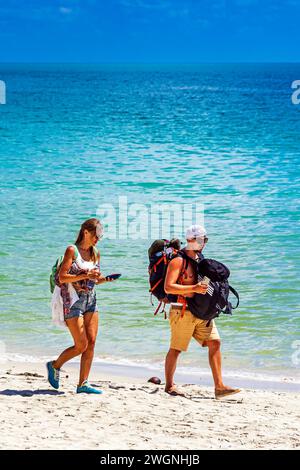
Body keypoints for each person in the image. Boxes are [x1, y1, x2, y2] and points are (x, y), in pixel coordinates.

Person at [164, 224, 241, 399]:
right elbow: (168, 287)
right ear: (190, 240)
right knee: (176, 349)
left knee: (215, 343)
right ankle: (169, 386)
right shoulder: (178, 260)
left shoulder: (201, 259)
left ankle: (219, 386)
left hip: (202, 312)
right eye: (201, 240)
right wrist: (194, 288)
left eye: (205, 240)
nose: (204, 243)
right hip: (182, 311)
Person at [47, 218, 111, 394]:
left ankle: (83, 384)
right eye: (95, 236)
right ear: (86, 232)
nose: (97, 240)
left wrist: (103, 279)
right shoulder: (72, 250)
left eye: (99, 237)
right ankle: (54, 365)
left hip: (91, 300)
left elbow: (94, 280)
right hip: (73, 301)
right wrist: (83, 275)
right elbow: (62, 277)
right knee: (80, 344)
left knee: (91, 342)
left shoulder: (96, 252)